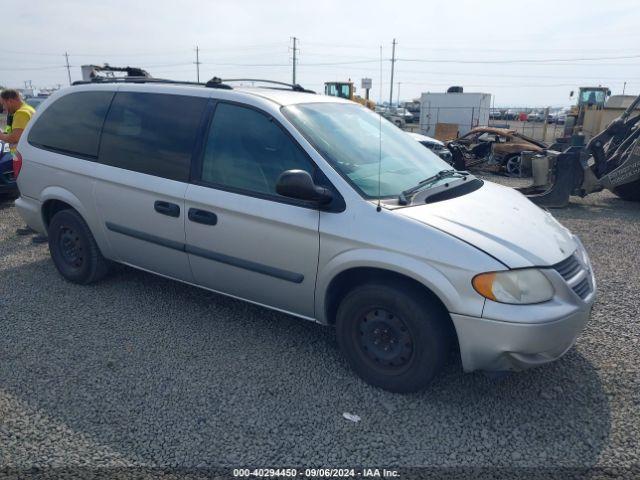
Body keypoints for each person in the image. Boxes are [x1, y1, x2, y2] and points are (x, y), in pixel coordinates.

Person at [0, 89, 46, 243]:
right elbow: (12, 132)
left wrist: (1, 136)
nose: (4, 108)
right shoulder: (28, 109)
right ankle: (33, 224)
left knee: (31, 193)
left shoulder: (20, 113)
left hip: (25, 159)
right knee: (32, 192)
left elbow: (15, 137)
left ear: (10, 100)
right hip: (29, 157)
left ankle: (42, 229)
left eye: (4, 104)